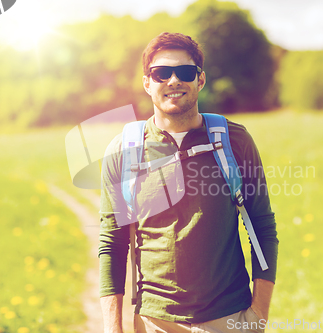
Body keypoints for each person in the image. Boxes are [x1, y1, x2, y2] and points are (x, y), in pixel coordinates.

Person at [99, 32, 278, 333]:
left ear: (200, 80)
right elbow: (112, 244)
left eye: (184, 72)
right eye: (160, 73)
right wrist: (113, 328)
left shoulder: (235, 141)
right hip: (155, 321)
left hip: (228, 318)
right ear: (147, 83)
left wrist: (258, 316)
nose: (173, 81)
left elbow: (262, 227)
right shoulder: (123, 151)